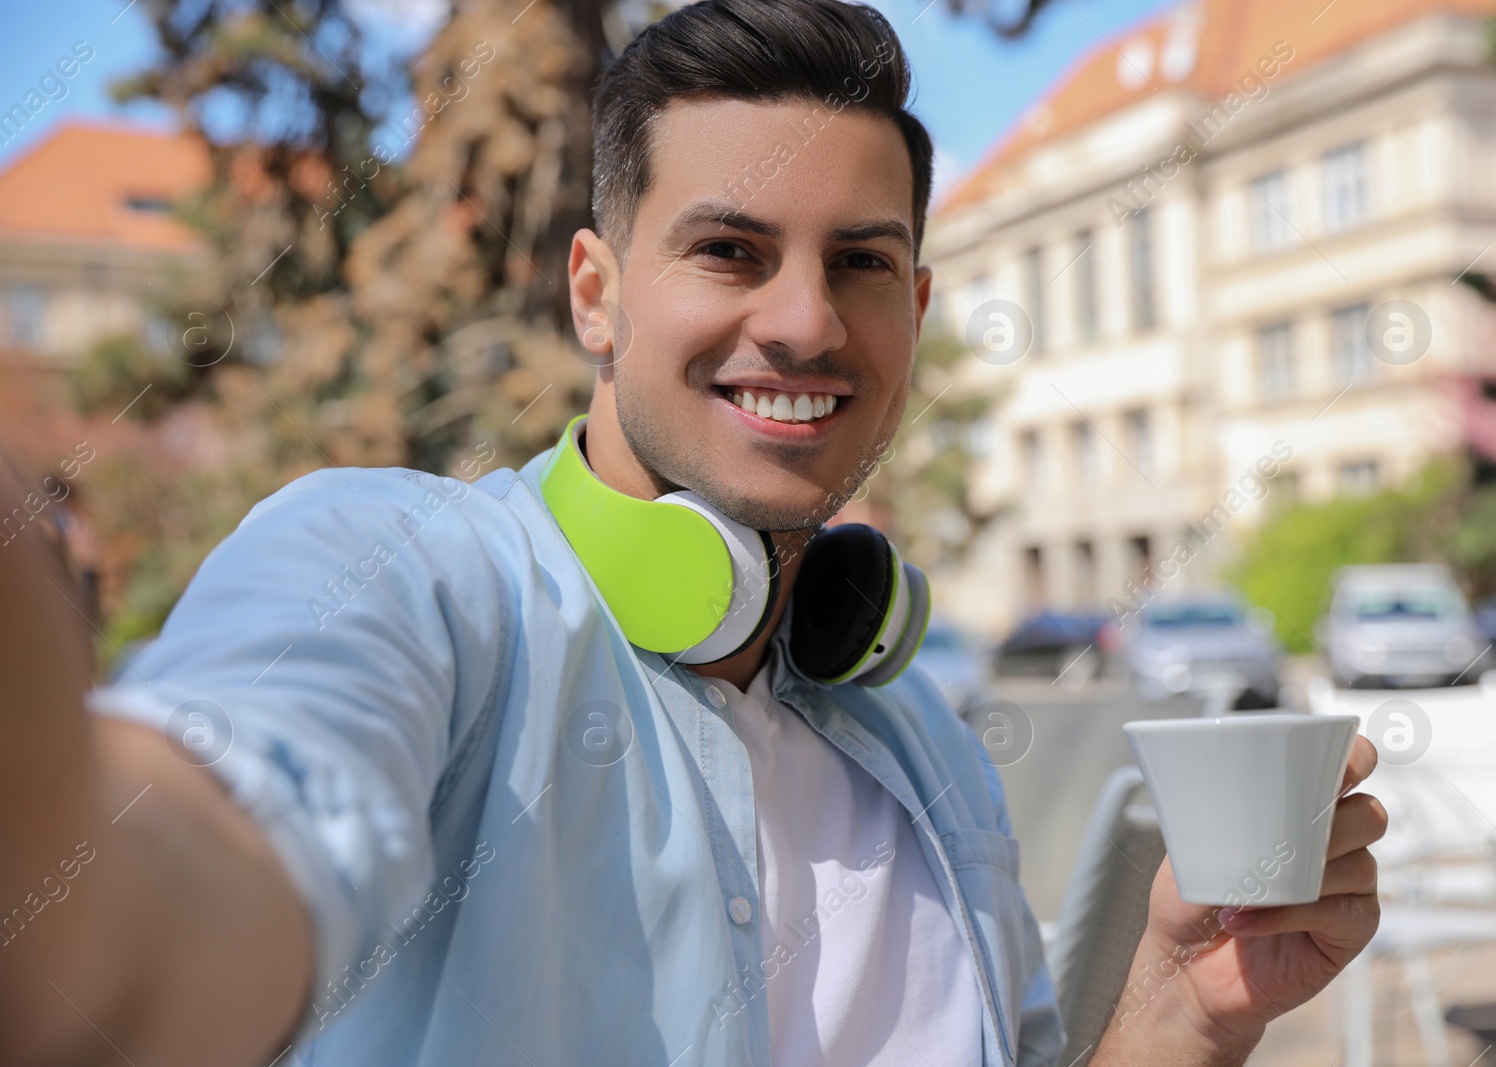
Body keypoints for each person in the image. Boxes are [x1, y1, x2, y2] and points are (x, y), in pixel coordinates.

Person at [0, 1, 1385, 1065]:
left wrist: (1178, 1020)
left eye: (862, 262)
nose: (802, 321)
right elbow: (185, 873)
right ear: (595, 295)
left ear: (917, 304)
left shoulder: (929, 754)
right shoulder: (403, 577)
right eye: (729, 251)